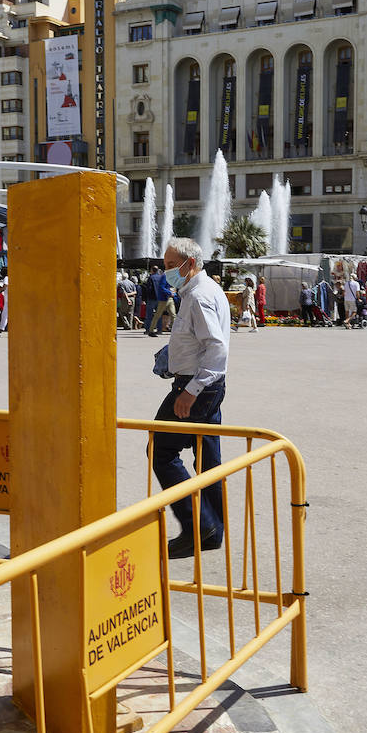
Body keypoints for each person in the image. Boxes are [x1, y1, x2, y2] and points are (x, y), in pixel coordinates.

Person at [151, 238, 231, 558]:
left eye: (171, 265)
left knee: (161, 450)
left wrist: (190, 391)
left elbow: (216, 348)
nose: (166, 271)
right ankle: (212, 530)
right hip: (204, 383)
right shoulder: (203, 290)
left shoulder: (198, 295)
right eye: (166, 265)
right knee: (207, 460)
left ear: (191, 263)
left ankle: (199, 525)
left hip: (196, 386)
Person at [149, 264, 176, 336]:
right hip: (164, 299)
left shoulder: (169, 276)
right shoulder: (165, 276)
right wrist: (170, 292)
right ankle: (151, 330)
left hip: (169, 298)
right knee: (158, 315)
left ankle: (176, 331)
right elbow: (161, 287)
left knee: (173, 315)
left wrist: (173, 293)